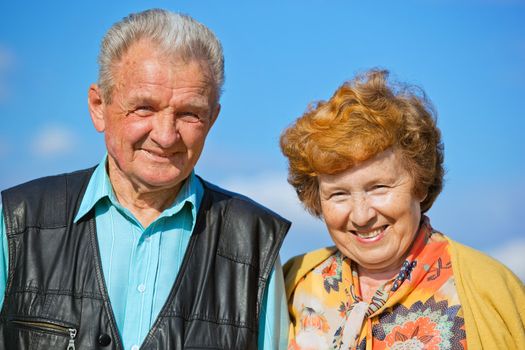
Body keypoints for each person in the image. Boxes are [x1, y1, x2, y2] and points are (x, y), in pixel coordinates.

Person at [0, 9, 290, 349]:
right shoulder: (14, 222)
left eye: (189, 114)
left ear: (212, 119)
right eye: (144, 108)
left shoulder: (255, 241)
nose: (166, 136)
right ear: (98, 106)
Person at [280, 69, 525, 349]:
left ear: (419, 184)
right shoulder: (293, 284)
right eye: (338, 194)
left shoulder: (491, 290)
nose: (361, 215)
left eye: (379, 188)